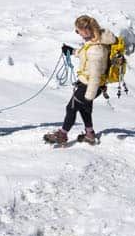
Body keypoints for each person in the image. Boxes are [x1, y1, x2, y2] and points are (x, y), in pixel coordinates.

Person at [44, 14, 116, 145]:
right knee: (84, 109)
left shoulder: (96, 49)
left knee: (71, 108)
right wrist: (71, 51)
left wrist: (89, 96)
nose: (77, 33)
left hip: (90, 86)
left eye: (78, 30)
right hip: (91, 85)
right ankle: (89, 134)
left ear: (86, 30)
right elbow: (85, 54)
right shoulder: (95, 41)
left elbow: (95, 76)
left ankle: (62, 134)